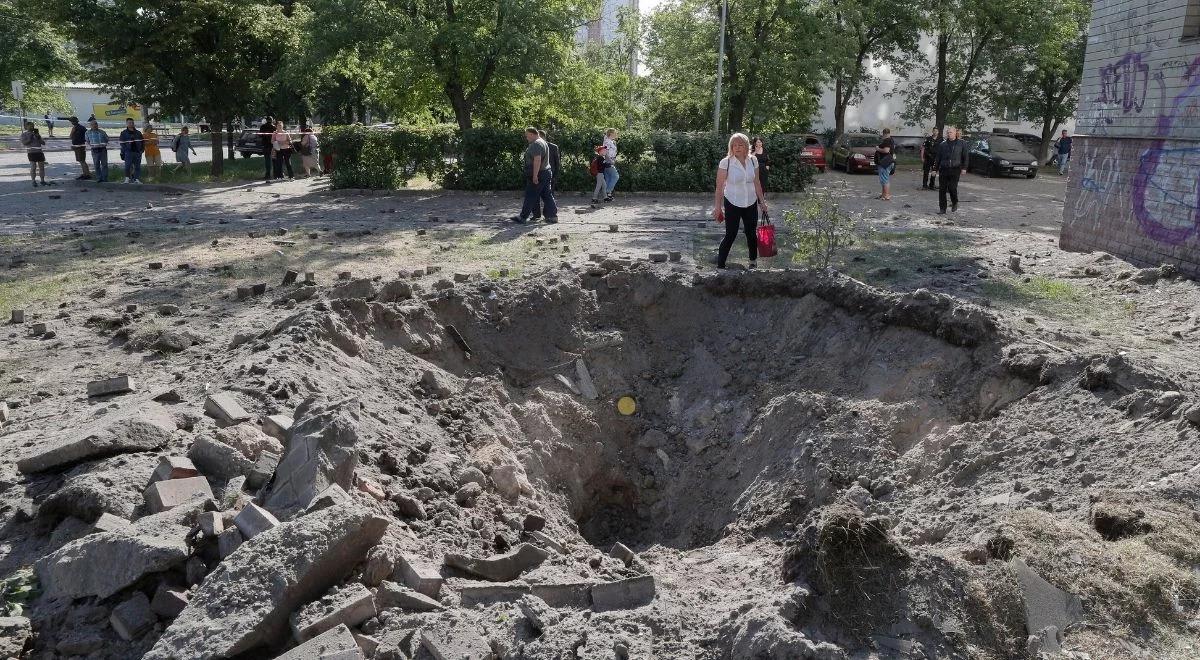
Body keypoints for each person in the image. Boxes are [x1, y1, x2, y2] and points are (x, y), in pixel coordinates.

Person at [712, 133, 768, 269]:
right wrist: (718, 207)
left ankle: (753, 262)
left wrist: (762, 202)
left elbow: (757, 183)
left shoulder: (753, 160)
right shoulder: (726, 162)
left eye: (740, 145)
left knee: (751, 234)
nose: (737, 147)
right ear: (731, 146)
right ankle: (720, 265)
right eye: (734, 145)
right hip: (732, 202)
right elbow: (719, 187)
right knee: (731, 234)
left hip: (750, 202)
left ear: (746, 146)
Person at [510, 127, 557, 224]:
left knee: (530, 195)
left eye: (527, 136)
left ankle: (523, 217)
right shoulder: (543, 142)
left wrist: (535, 176)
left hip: (539, 173)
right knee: (547, 195)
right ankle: (553, 216)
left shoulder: (536, 144)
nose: (527, 138)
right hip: (546, 172)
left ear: (532, 134)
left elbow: (537, 160)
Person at [936, 126, 968, 214]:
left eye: (951, 132)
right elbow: (938, 158)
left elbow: (965, 157)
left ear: (955, 133)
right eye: (948, 132)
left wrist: (964, 168)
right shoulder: (943, 144)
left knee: (952, 187)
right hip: (944, 169)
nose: (949, 134)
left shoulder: (962, 143)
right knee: (942, 189)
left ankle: (955, 202)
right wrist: (935, 169)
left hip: (955, 169)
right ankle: (942, 209)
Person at [535, 130, 561, 222]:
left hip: (550, 174)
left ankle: (548, 214)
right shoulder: (535, 146)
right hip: (538, 174)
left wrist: (555, 175)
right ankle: (536, 215)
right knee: (536, 195)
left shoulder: (553, 147)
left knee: (549, 195)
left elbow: (557, 162)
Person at [20, 121, 48, 187]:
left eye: (33, 125)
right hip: (31, 152)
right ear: (26, 127)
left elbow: (43, 143)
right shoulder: (24, 134)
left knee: (42, 167)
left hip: (39, 152)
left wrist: (38, 137)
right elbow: (24, 143)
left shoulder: (36, 133)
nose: (32, 127)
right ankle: (33, 181)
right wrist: (30, 138)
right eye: (30, 126)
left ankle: (42, 180)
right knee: (33, 167)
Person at [118, 118, 144, 184]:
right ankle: (127, 179)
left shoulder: (138, 133)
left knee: (137, 166)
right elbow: (121, 143)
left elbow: (142, 142)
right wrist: (125, 150)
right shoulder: (123, 133)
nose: (131, 124)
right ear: (126, 123)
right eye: (129, 123)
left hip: (137, 152)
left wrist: (141, 150)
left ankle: (136, 179)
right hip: (128, 152)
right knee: (127, 166)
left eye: (132, 122)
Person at [876, 128, 895, 200]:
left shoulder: (887, 140)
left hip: (885, 163)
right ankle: (883, 195)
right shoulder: (891, 140)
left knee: (885, 179)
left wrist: (877, 149)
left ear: (884, 134)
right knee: (883, 179)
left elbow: (886, 150)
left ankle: (886, 195)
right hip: (888, 162)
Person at [601, 128, 619, 202]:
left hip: (608, 161)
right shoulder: (607, 142)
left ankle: (608, 196)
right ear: (611, 134)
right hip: (608, 161)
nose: (616, 135)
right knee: (615, 176)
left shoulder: (610, 141)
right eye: (615, 133)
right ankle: (607, 191)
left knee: (608, 178)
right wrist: (611, 161)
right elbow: (605, 153)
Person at [260, 116, 276, 182]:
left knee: (267, 160)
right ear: (272, 120)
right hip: (273, 145)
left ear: (266, 120)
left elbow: (260, 135)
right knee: (274, 160)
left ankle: (268, 174)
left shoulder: (263, 127)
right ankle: (275, 174)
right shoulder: (274, 127)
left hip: (266, 145)